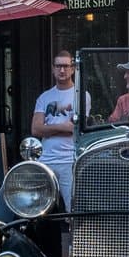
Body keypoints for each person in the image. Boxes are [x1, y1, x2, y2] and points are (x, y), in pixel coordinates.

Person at [30, 53, 85, 207]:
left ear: (73, 69)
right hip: (45, 159)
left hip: (70, 160)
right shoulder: (45, 97)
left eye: (66, 66)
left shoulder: (81, 96)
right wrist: (63, 127)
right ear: (53, 69)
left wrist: (47, 128)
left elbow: (76, 128)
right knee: (40, 209)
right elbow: (35, 129)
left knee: (73, 209)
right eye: (58, 66)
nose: (62, 70)